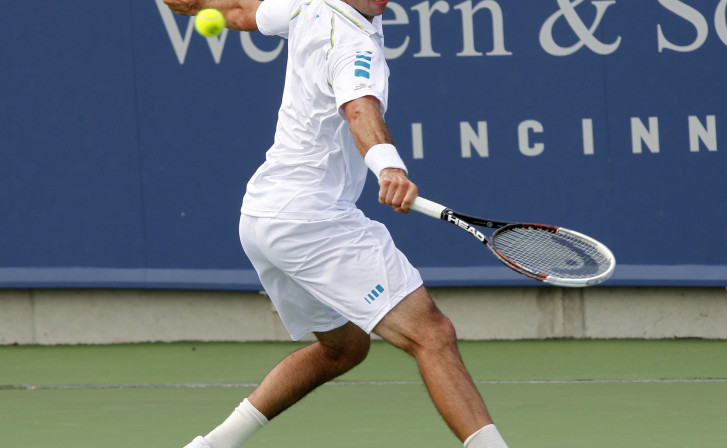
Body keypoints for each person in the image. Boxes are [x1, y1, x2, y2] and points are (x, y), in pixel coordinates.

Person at [163, 0, 509, 447]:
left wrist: (194, 5)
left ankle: (212, 445)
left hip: (263, 216)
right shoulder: (351, 41)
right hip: (311, 219)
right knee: (432, 334)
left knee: (344, 348)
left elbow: (236, 10)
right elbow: (360, 109)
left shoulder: (306, 3)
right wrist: (390, 168)